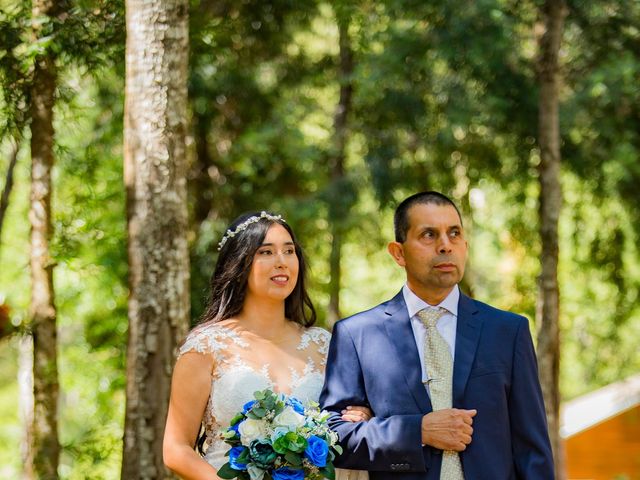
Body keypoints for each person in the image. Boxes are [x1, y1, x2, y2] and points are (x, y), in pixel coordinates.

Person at [320, 191, 555, 480]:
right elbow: (334, 438)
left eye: (454, 234)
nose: (445, 246)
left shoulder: (508, 331)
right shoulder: (357, 335)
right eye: (429, 235)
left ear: (465, 246)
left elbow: (532, 451)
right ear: (398, 252)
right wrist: (418, 431)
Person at [163, 211, 372, 479]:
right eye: (266, 252)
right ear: (239, 264)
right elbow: (176, 449)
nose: (282, 262)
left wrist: (359, 416)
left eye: (289, 251)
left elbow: (345, 422)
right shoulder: (206, 345)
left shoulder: (323, 343)